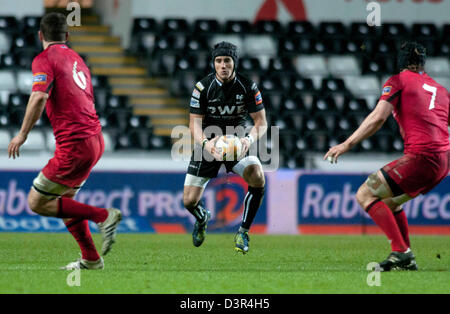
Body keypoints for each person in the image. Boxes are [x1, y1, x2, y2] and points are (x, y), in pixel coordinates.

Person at [7, 13, 122, 270]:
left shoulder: (44, 59)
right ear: (67, 36)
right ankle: (91, 259)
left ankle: (103, 216)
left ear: (40, 36)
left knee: (36, 202)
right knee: (67, 201)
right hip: (95, 139)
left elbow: (38, 98)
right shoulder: (77, 59)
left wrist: (22, 134)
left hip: (75, 143)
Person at [324, 42, 450, 271]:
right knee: (390, 203)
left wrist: (347, 144)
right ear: (423, 63)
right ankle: (406, 258)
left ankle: (400, 252)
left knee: (365, 193)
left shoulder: (398, 81)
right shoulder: (441, 90)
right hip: (442, 162)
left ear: (400, 61)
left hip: (422, 156)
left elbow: (378, 118)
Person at [183, 41, 268, 254]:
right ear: (213, 63)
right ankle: (202, 218)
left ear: (234, 63)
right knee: (189, 201)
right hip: (208, 143)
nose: (223, 65)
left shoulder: (248, 87)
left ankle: (243, 231)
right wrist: (205, 144)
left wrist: (248, 140)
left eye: (227, 61)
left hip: (236, 141)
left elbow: (261, 123)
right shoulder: (202, 87)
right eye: (218, 61)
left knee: (257, 175)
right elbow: (194, 123)